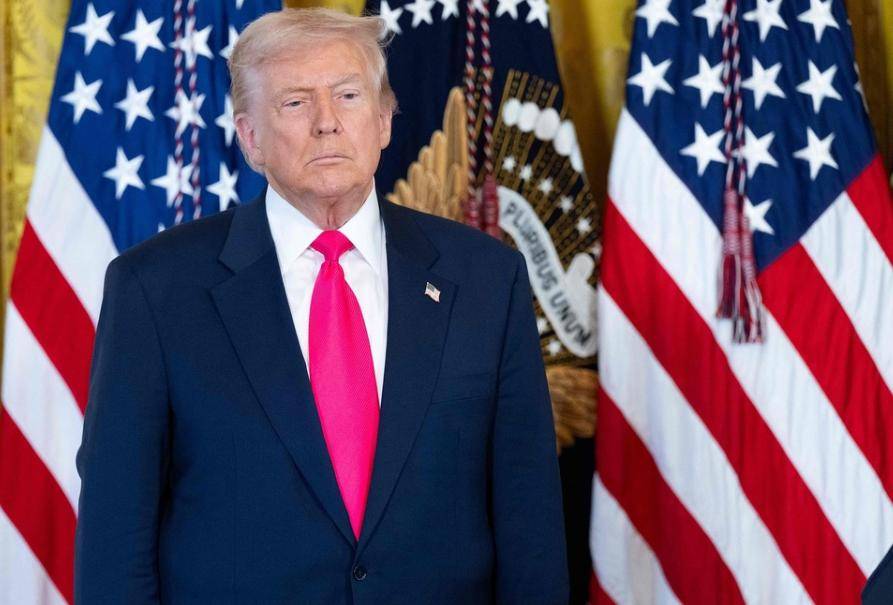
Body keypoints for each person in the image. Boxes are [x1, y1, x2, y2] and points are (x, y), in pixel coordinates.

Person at [74, 7, 568, 604]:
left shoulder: (487, 279)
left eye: (349, 96)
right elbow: (115, 535)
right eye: (295, 102)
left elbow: (529, 516)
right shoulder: (154, 289)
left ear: (384, 121)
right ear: (250, 137)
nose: (327, 123)